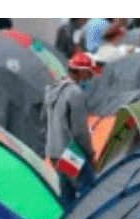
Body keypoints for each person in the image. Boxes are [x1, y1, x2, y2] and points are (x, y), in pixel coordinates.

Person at [45, 53, 98, 209]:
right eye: (89, 74)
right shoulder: (75, 92)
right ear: (81, 72)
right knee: (88, 190)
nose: (89, 78)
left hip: (54, 151)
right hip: (70, 153)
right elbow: (80, 130)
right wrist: (90, 153)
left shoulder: (53, 89)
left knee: (67, 193)